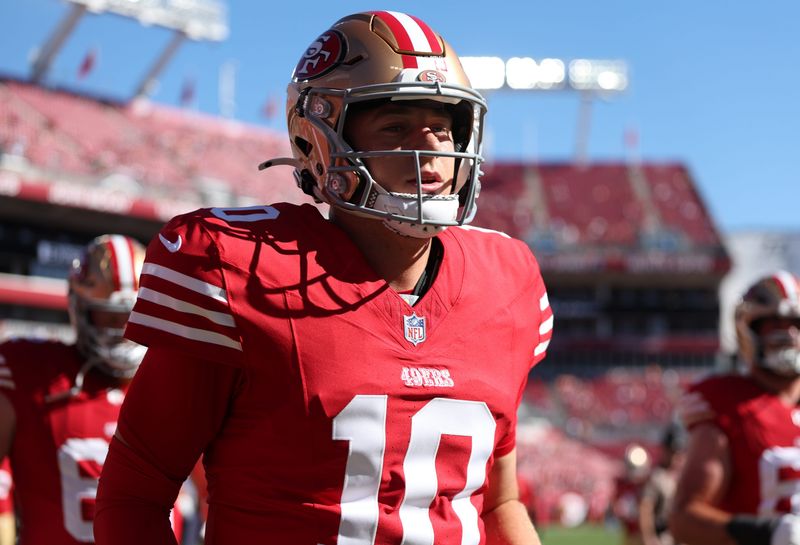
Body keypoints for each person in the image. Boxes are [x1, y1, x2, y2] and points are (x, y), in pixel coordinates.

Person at [94, 10, 554, 545]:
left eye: (444, 127)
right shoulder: (239, 267)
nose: (431, 148)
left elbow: (499, 502)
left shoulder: (507, 281)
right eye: (396, 127)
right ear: (318, 142)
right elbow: (135, 493)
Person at [0, 234, 147, 544]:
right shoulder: (28, 371)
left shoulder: (173, 380)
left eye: (133, 314)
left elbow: (211, 494)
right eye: (110, 314)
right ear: (80, 308)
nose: (123, 327)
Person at [669, 270, 800, 545]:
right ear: (747, 330)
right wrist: (764, 532)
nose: (788, 334)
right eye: (773, 323)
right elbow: (684, 518)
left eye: (796, 324)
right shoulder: (726, 401)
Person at [639, 423, 686, 545]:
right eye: (673, 451)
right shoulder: (656, 477)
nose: (676, 456)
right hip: (663, 537)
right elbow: (645, 508)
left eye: (679, 452)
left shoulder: (682, 475)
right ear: (665, 450)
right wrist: (649, 538)